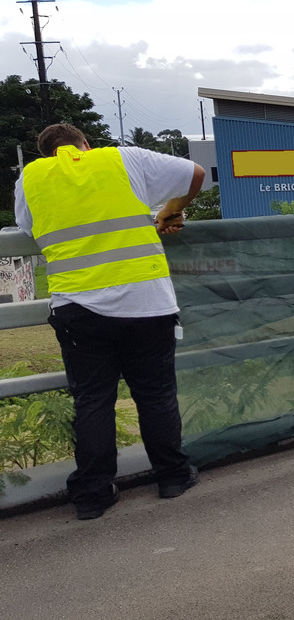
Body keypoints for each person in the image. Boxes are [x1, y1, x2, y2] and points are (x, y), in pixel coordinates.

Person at [14, 124, 205, 520]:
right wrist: (170, 210)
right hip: (146, 302)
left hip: (77, 306)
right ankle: (172, 476)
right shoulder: (124, 157)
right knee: (155, 394)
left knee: (93, 400)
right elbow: (196, 174)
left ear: (48, 154)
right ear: (86, 144)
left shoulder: (31, 178)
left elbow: (29, 229)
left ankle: (92, 495)